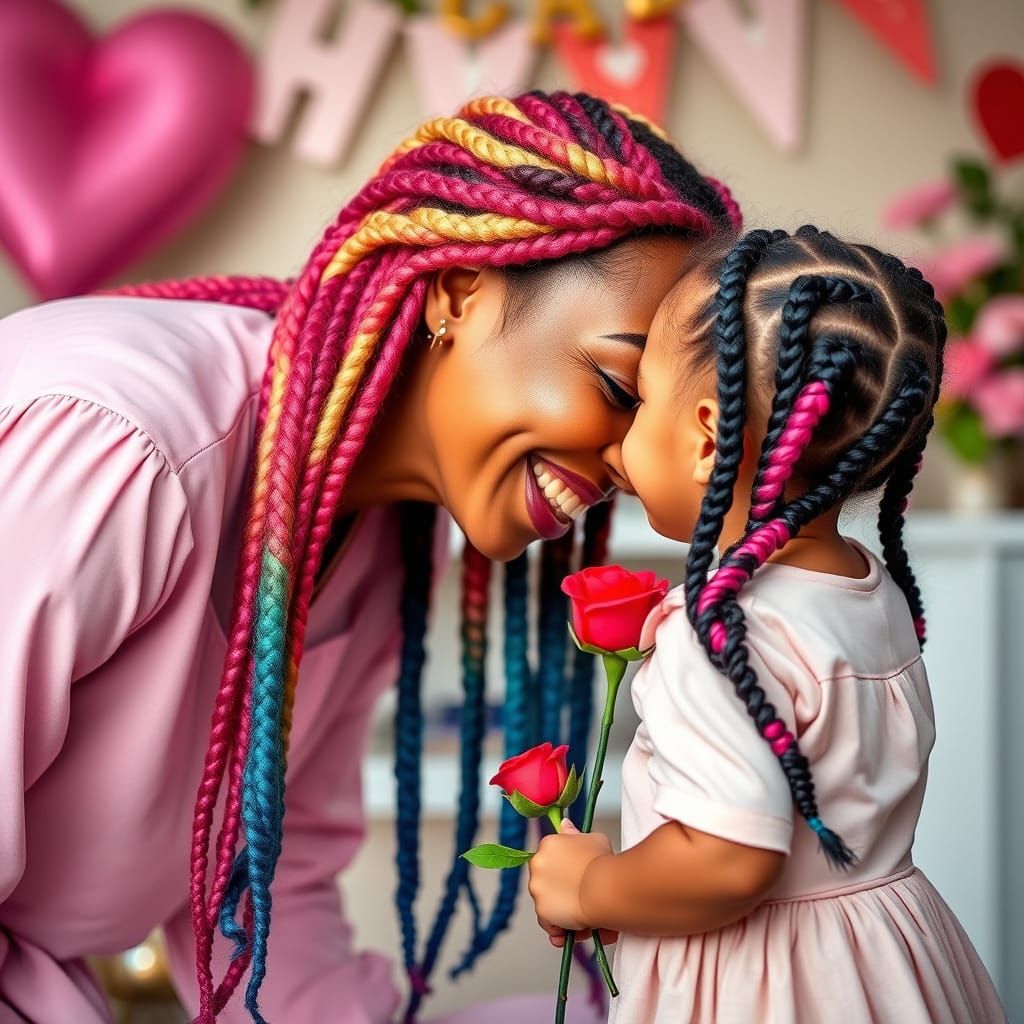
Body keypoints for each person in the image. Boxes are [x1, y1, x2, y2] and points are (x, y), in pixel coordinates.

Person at [0, 92, 740, 1023]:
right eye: (620, 389)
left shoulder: (381, 539)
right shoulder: (120, 447)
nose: (634, 462)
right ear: (460, 292)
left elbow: (264, 885)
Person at [526, 227, 1008, 1023]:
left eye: (640, 399)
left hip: (769, 984)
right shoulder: (866, 588)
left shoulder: (720, 634)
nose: (618, 431)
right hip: (890, 958)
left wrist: (591, 886)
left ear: (709, 436)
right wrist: (650, 891)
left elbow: (728, 861)